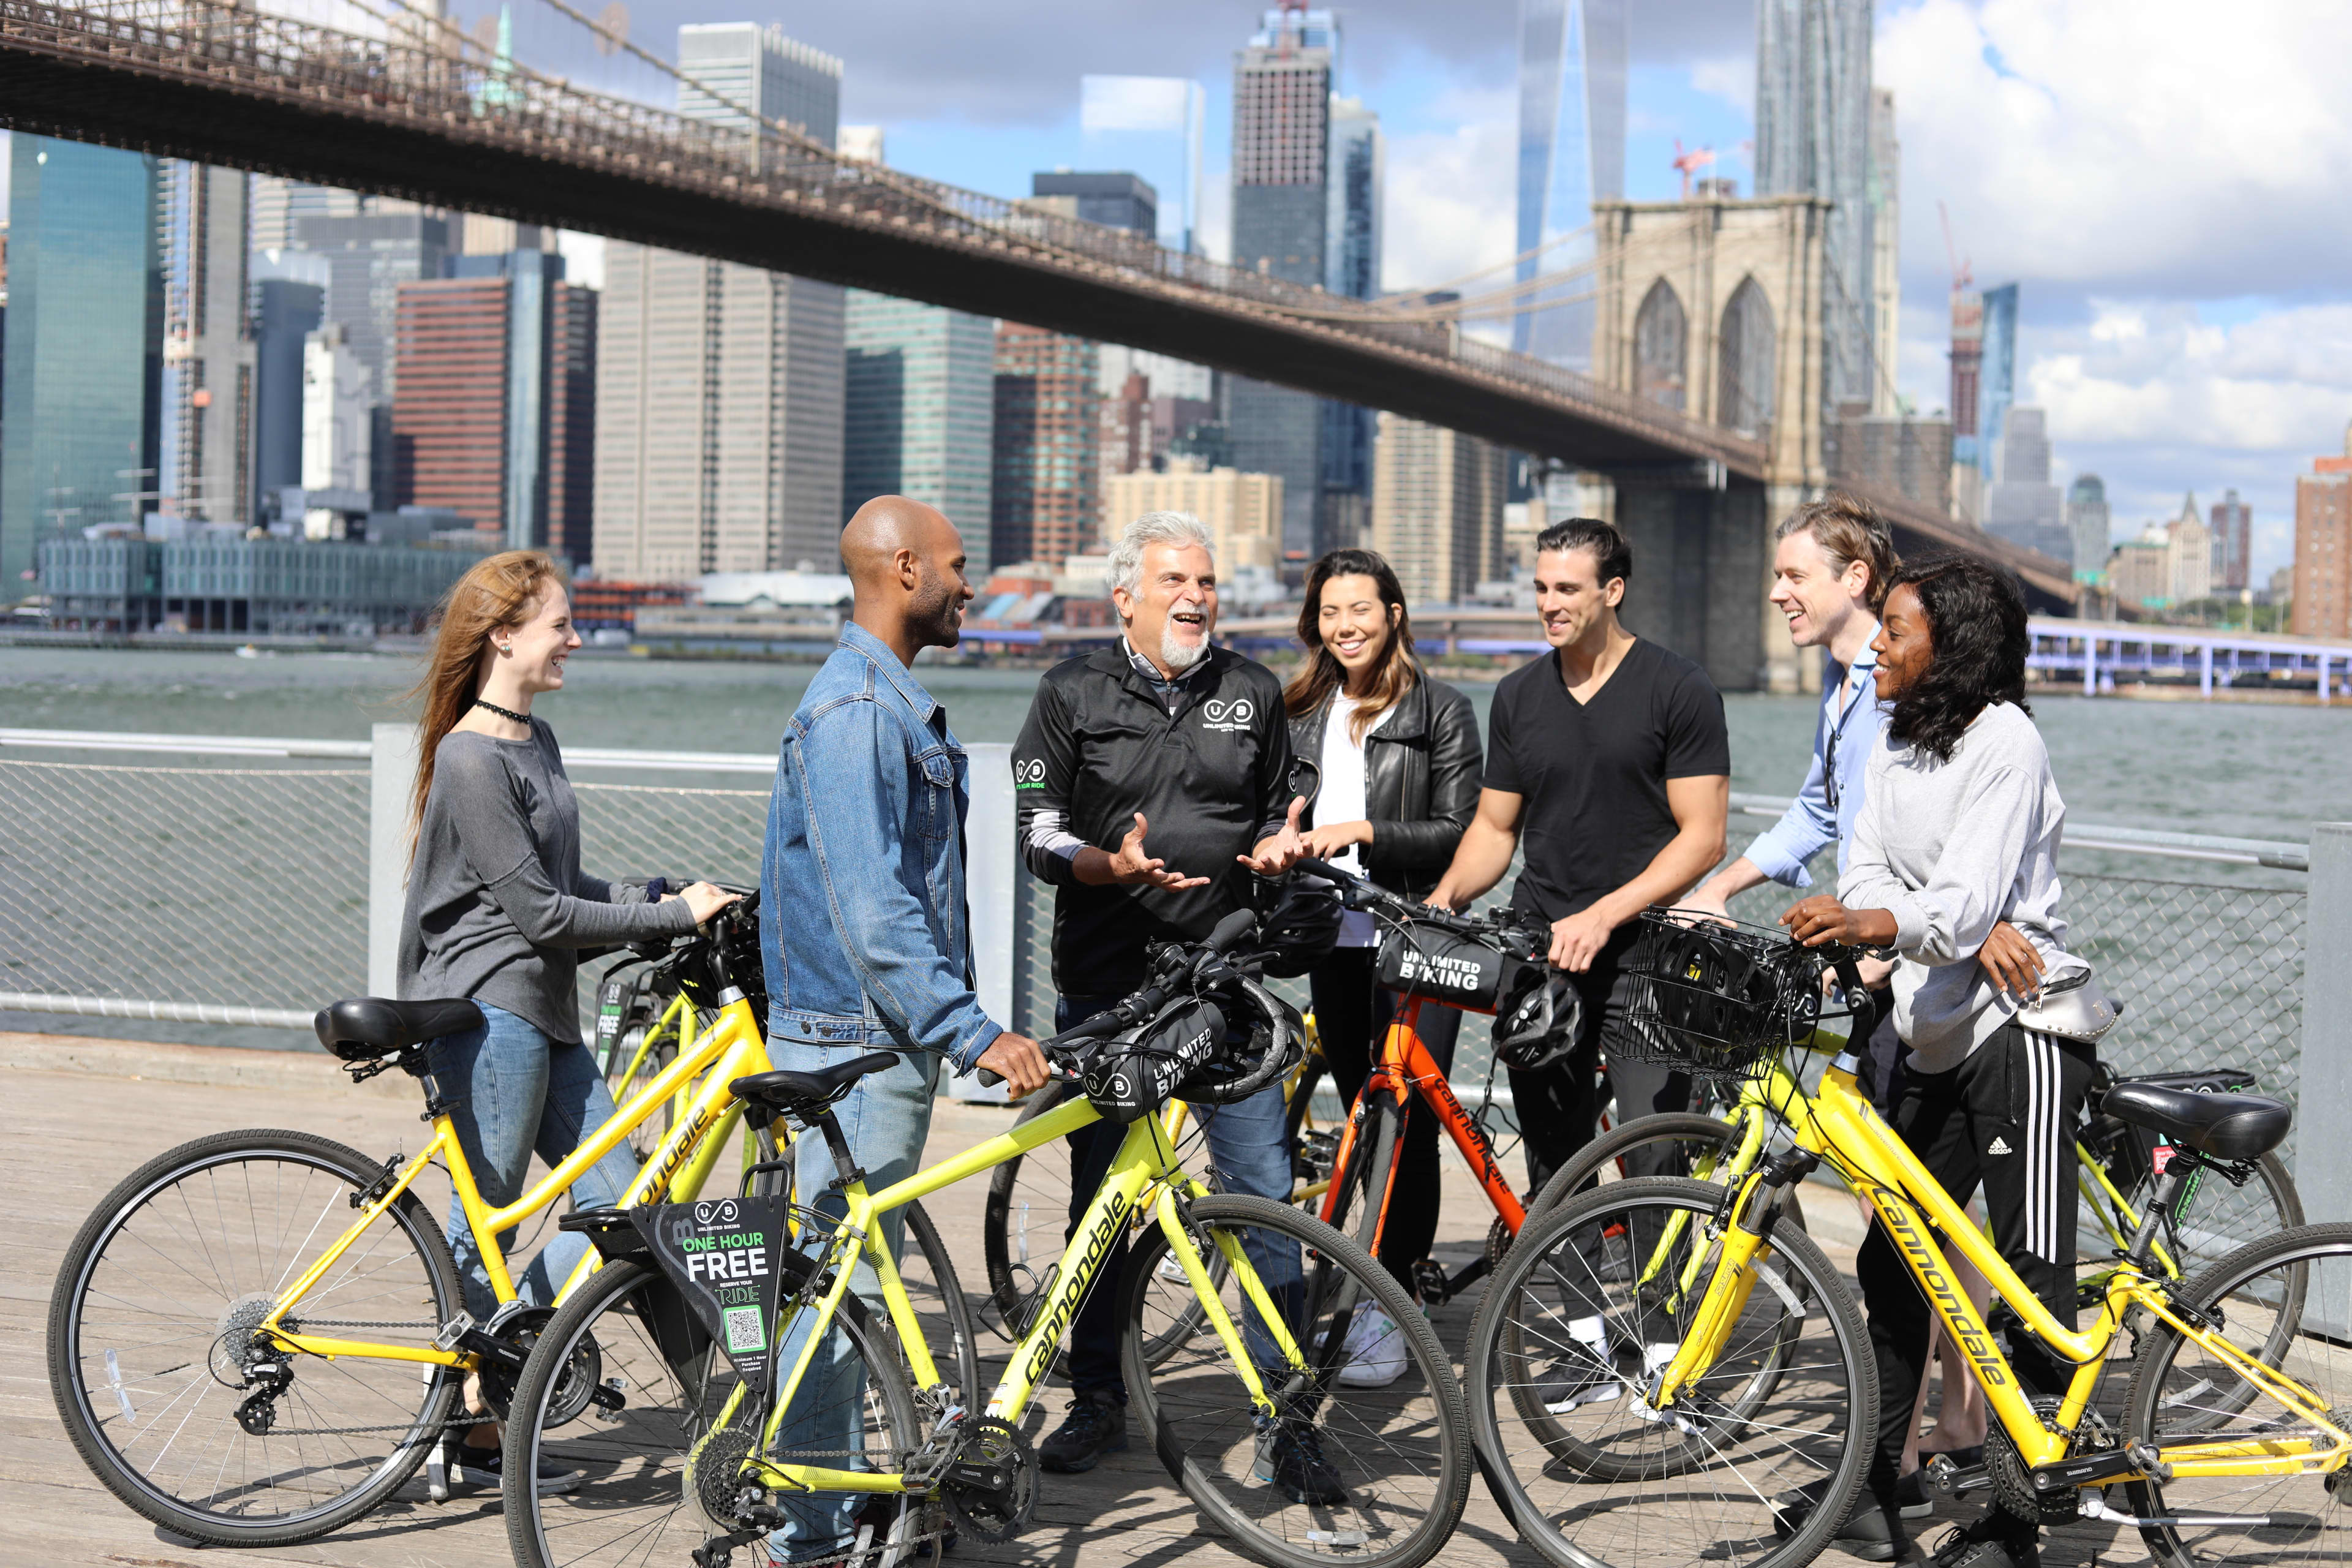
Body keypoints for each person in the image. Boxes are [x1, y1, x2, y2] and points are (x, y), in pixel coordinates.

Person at [399, 549, 737, 1496]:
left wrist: (667, 890)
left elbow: (565, 892)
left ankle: (513, 1362)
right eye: (561, 625)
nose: (577, 639)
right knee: (486, 1228)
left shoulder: (533, 742)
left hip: (544, 1013)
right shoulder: (471, 755)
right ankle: (461, 1427)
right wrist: (671, 918)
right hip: (489, 1012)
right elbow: (541, 919)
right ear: (504, 635)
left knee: (634, 1208)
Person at [1779, 555, 2087, 1568]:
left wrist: (1872, 919)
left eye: (1898, 631)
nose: (1879, 647)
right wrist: (1866, 918)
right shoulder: (1902, 740)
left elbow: (1959, 905)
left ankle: (2021, 1516)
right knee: (1892, 1262)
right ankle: (1868, 1490)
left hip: (2021, 1033)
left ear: (1949, 647)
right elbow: (1864, 859)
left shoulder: (2008, 742)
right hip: (1930, 1027)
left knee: (2033, 1275)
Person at [762, 496, 1051, 1561]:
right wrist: (973, 1031)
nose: (970, 586)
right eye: (958, 567)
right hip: (855, 1048)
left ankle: (858, 1507)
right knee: (831, 1306)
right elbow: (875, 915)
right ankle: (813, 1538)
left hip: (873, 1042)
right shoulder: (854, 715)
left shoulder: (890, 703)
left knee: (851, 1289)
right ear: (902, 568)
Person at [1012, 510, 1323, 1492]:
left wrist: (1281, 841)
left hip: (1225, 983)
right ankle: (1097, 1394)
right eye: (1175, 582)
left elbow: (1281, 805)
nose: (1196, 598)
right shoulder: (1070, 691)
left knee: (1264, 1196)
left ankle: (1288, 1412)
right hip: (1109, 990)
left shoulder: (1254, 689)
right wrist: (1108, 863)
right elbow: (1034, 830)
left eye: (1207, 582)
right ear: (1127, 597)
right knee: (1102, 1197)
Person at [1427, 517, 1730, 1405]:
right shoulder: (1519, 695)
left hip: (1647, 952)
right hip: (1544, 950)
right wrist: (1444, 904)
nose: (1549, 604)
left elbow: (1701, 838)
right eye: (1540, 588)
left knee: (1653, 1149)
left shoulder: (1679, 688)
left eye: (1567, 589)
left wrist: (1606, 912)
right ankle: (1592, 1340)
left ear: (1612, 591)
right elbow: (1494, 830)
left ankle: (1665, 1346)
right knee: (1555, 1154)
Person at [1282, 548, 1481, 1349]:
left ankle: (1393, 1308)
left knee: (1411, 1120)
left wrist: (1363, 830)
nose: (1344, 627)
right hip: (1331, 940)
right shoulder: (1299, 710)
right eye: (1330, 613)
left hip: (1414, 938)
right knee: (1364, 1116)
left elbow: (1461, 833)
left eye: (1359, 610)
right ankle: (1374, 1275)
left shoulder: (1441, 711)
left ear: (1393, 614)